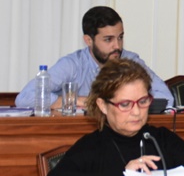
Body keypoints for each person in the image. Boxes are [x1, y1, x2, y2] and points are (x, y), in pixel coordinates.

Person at [41, 59, 184, 176]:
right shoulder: (92, 146)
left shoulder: (162, 139)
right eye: (125, 104)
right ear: (103, 106)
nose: (136, 112)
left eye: (143, 101)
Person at [16, 6, 173, 109]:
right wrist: (80, 101)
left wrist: (127, 103)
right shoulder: (72, 64)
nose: (117, 46)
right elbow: (25, 97)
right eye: (108, 39)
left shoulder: (131, 62)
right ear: (88, 40)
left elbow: (166, 98)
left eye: (120, 37)